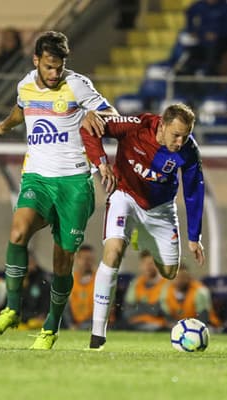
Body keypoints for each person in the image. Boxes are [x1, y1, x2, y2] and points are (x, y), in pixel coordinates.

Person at [0, 31, 118, 350]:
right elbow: (22, 109)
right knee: (18, 233)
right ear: (37, 61)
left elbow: (111, 114)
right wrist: (5, 125)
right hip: (37, 178)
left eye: (59, 67)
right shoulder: (25, 84)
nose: (55, 73)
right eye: (49, 67)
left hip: (74, 183)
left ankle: (50, 327)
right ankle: (12, 309)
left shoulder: (78, 85)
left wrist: (93, 113)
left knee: (62, 260)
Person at [80, 103, 206, 350]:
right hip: (124, 196)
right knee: (113, 252)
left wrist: (194, 236)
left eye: (186, 135)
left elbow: (194, 191)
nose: (180, 141)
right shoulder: (135, 126)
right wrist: (101, 163)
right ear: (162, 125)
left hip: (160, 210)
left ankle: (141, 234)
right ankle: (97, 335)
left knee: (170, 272)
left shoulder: (189, 150)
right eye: (176, 135)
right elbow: (88, 129)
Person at [122, 249, 169, 331]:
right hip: (136, 325)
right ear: (141, 265)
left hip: (160, 326)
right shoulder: (136, 283)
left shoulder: (166, 284)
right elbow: (128, 311)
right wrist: (151, 309)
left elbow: (163, 311)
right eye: (145, 263)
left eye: (151, 263)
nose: (148, 267)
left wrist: (140, 307)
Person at [65, 244, 97, 330]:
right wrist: (71, 324)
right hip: (73, 324)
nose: (88, 262)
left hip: (94, 323)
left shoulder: (100, 280)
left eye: (91, 259)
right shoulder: (70, 279)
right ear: (77, 259)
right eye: (85, 259)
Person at [19, 251, 51, 330]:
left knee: (33, 324)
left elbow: (47, 301)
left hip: (37, 318)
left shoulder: (43, 279)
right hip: (21, 318)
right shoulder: (16, 280)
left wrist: (43, 314)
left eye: (30, 262)